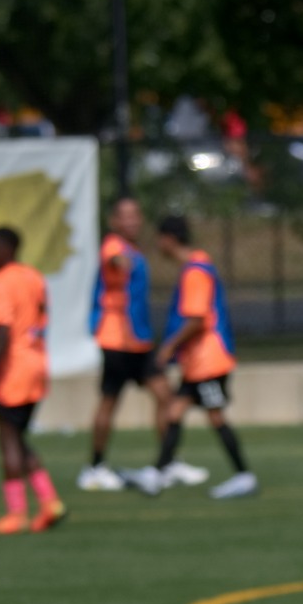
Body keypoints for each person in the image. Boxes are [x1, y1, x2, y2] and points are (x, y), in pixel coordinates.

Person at [123, 216, 256, 499]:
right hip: (197, 363)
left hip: (209, 362)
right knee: (174, 412)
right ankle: (158, 473)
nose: (159, 245)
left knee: (216, 417)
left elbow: (196, 320)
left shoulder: (195, 272)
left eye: (160, 238)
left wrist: (169, 347)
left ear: (169, 239)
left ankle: (244, 476)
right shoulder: (196, 266)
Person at [82, 198, 196, 491]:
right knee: (110, 402)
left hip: (139, 342)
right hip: (117, 341)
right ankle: (94, 467)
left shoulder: (134, 250)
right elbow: (112, 259)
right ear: (114, 221)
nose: (132, 221)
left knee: (165, 397)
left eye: (136, 215)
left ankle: (167, 462)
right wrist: (120, 263)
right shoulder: (114, 246)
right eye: (126, 216)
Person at [0, 227, 66, 535]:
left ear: (6, 248)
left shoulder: (2, 281)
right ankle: (49, 501)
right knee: (18, 437)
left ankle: (16, 514)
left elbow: (2, 332)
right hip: (36, 365)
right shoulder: (33, 277)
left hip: (12, 370)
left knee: (8, 440)